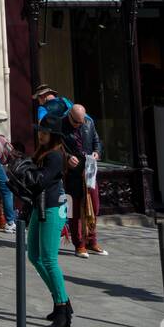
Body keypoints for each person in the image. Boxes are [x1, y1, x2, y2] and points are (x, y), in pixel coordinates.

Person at [27, 128, 73, 327]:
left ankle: (63, 310)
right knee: (34, 255)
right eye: (40, 131)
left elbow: (41, 180)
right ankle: (60, 300)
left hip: (54, 207)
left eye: (45, 132)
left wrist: (25, 171)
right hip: (41, 206)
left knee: (49, 259)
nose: (40, 135)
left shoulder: (55, 155)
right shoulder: (42, 152)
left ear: (54, 135)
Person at [62, 103, 105, 257]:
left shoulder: (89, 122)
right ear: (69, 116)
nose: (79, 125)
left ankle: (91, 241)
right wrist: (66, 157)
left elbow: (97, 142)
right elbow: (54, 148)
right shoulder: (61, 125)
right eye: (76, 122)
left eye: (82, 122)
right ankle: (79, 244)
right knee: (74, 210)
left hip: (89, 171)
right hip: (72, 174)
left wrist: (96, 153)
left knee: (94, 206)